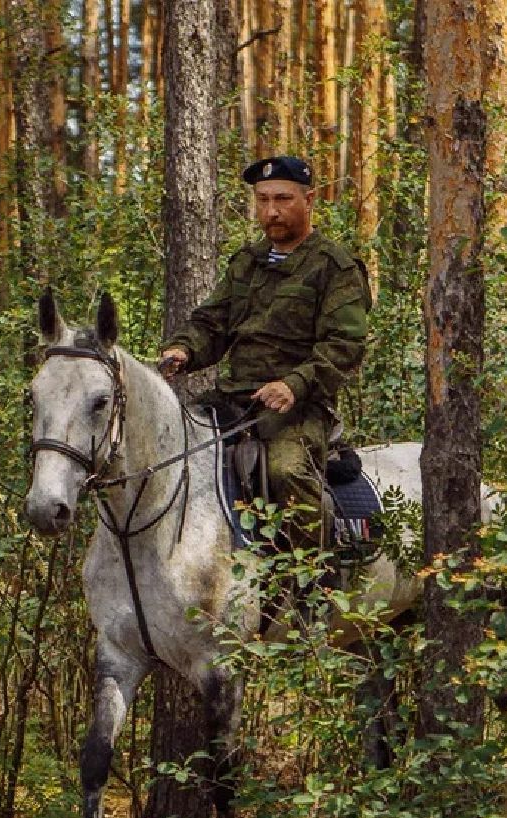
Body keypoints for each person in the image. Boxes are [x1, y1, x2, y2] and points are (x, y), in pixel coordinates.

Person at [159, 154, 370, 550]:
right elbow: (212, 323)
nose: (271, 211)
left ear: (308, 201)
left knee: (285, 471)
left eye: (283, 199)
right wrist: (183, 350)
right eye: (262, 200)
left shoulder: (334, 267)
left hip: (298, 407)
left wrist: (294, 384)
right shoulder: (247, 263)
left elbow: (345, 344)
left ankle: (310, 585)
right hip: (234, 399)